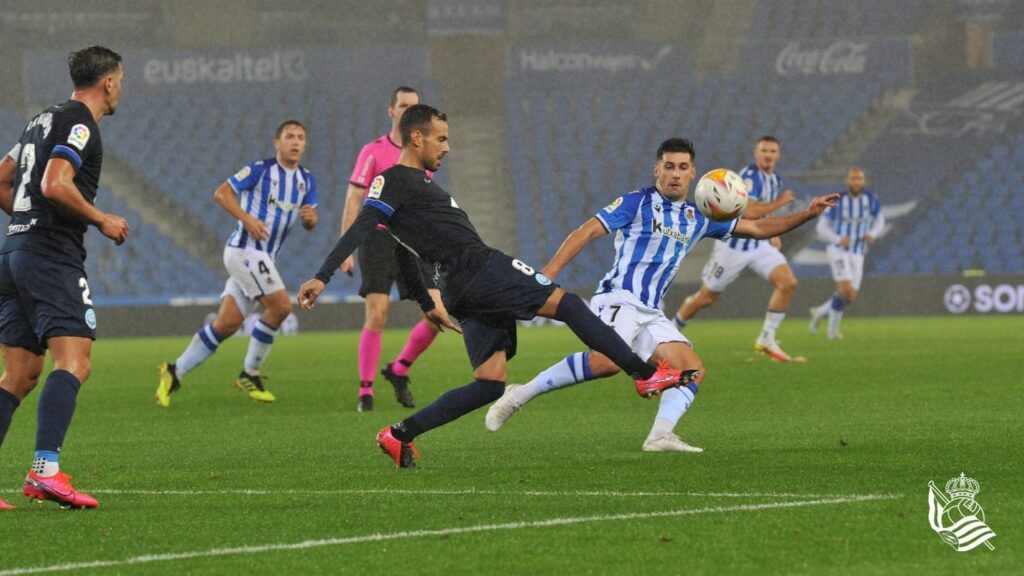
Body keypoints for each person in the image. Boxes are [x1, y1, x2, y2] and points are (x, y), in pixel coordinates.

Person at [298, 104, 687, 468]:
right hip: (478, 267)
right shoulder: (393, 180)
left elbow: (402, 248)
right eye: (441, 139)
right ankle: (643, 373)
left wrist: (425, 301)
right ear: (416, 138)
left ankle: (400, 434)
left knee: (489, 383)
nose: (447, 148)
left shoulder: (418, 184)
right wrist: (323, 274)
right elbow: (363, 225)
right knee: (567, 304)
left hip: (457, 286)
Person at [485, 138, 837, 452]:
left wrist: (807, 213)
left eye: (683, 168)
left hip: (652, 312)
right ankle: (520, 394)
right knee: (606, 362)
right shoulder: (636, 202)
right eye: (669, 166)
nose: (675, 174)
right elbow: (587, 231)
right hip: (619, 297)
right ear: (657, 170)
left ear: (693, 174)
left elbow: (758, 228)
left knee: (691, 369)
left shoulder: (699, 216)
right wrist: (550, 272)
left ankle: (660, 436)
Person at [0, 46, 129, 509]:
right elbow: (56, 183)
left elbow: (2, 178)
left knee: (19, 374)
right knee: (74, 362)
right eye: (120, 81)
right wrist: (101, 219)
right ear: (109, 82)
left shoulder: (39, 121)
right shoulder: (80, 124)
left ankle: (41, 472)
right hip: (50, 255)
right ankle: (45, 472)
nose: (120, 90)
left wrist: (24, 220)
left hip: (14, 251)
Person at [156, 121, 317, 406]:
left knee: (227, 324)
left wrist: (309, 220)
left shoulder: (307, 179)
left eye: (300, 137)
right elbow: (221, 193)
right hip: (244, 251)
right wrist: (247, 219)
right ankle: (249, 372)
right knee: (280, 307)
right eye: (289, 136)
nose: (295, 142)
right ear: (276, 143)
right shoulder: (259, 170)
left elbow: (310, 221)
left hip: (263, 257)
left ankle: (174, 371)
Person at [340, 86, 440, 412]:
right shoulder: (373, 151)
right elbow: (355, 199)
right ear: (392, 111)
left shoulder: (422, 153)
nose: (408, 110)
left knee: (438, 315)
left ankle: (398, 369)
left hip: (413, 240)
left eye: (415, 106)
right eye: (403, 105)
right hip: (378, 238)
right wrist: (345, 247)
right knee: (378, 314)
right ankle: (365, 391)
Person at [674, 136, 799, 361]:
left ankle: (766, 338)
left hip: (758, 245)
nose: (768, 155)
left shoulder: (775, 180)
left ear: (778, 155)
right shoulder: (749, 177)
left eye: (772, 151)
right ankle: (672, 331)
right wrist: (781, 202)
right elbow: (750, 212)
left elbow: (765, 211)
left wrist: (774, 234)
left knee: (787, 282)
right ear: (756, 153)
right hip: (733, 246)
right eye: (764, 150)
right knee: (706, 298)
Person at [809, 168, 884, 339]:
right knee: (844, 289)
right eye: (853, 178)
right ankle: (832, 332)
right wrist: (837, 239)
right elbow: (821, 227)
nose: (856, 182)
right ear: (847, 181)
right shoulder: (838, 200)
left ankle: (820, 312)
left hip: (858, 252)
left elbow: (880, 220)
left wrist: (872, 233)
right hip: (838, 251)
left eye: (859, 178)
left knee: (850, 296)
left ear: (863, 181)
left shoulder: (872, 199)